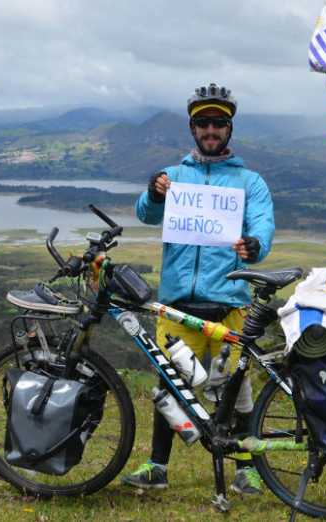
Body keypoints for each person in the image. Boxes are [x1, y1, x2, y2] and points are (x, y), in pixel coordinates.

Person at [121, 83, 275, 495]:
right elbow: (146, 214)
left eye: (219, 123)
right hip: (177, 306)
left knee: (236, 389)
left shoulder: (250, 181)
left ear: (229, 129)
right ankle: (157, 466)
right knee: (169, 386)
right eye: (204, 122)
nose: (211, 129)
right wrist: (153, 193)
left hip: (229, 304)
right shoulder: (174, 177)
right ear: (192, 128)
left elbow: (262, 225)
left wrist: (255, 245)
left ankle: (247, 468)